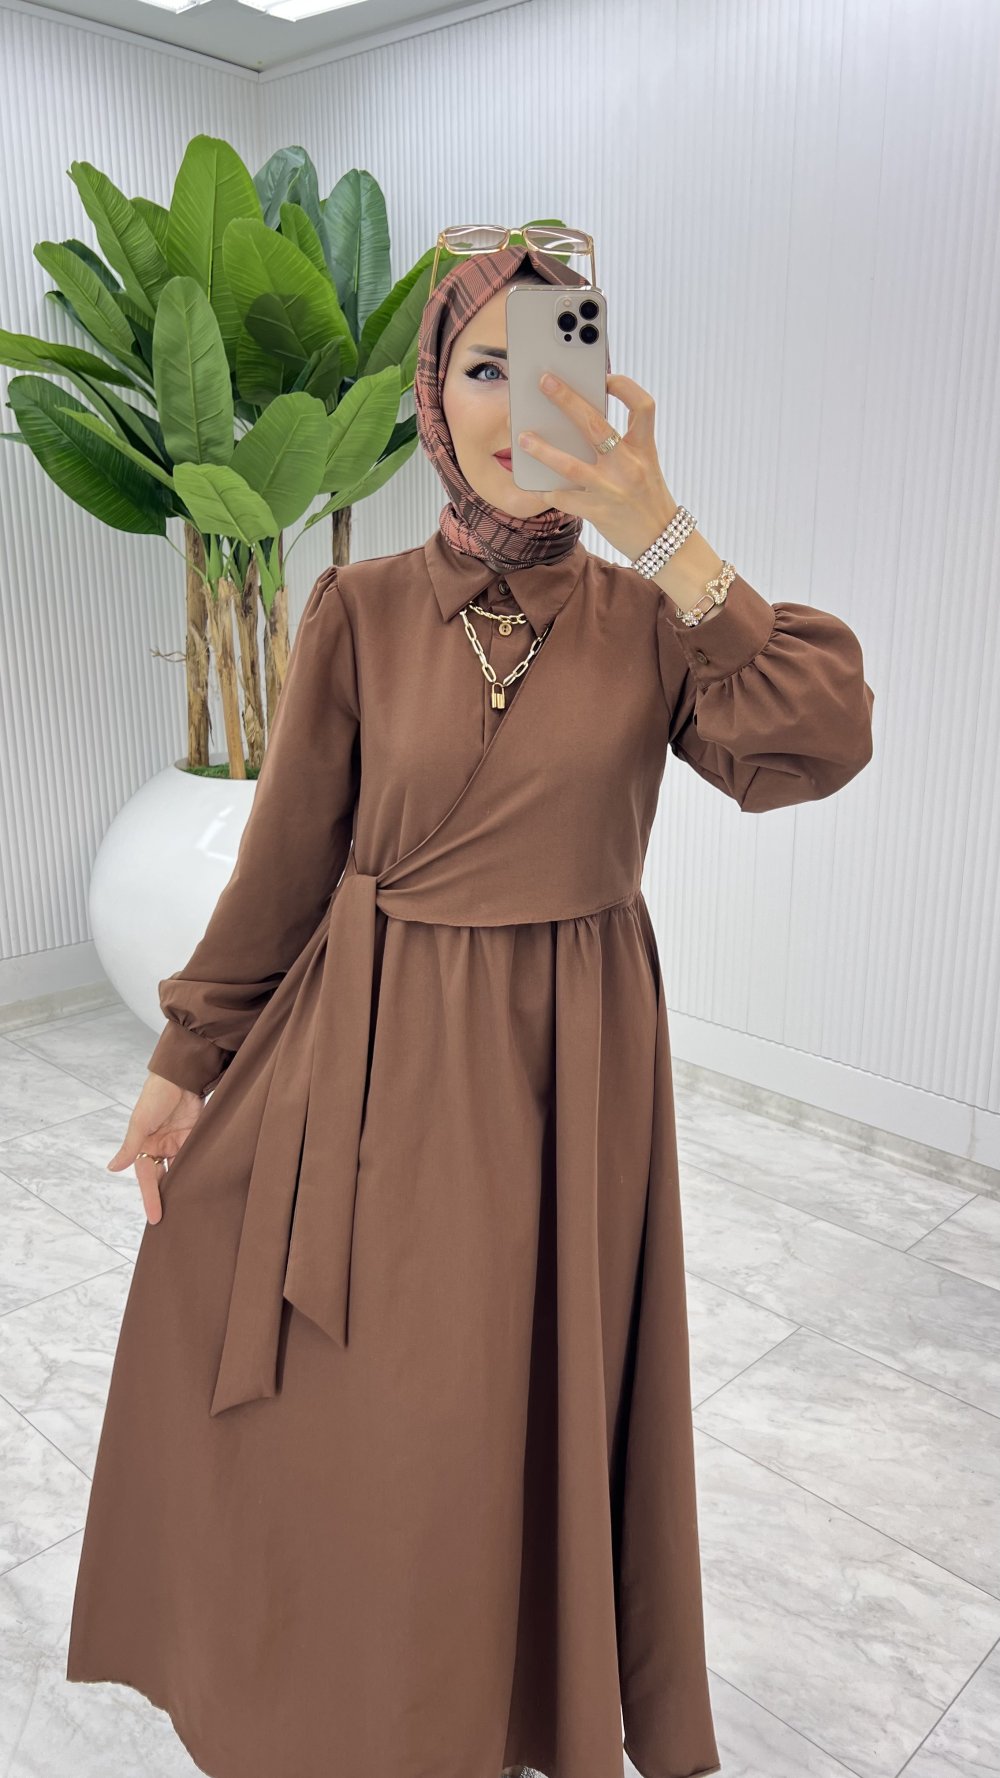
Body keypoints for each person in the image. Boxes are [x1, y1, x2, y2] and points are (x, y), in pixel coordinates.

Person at [65, 241, 876, 1778]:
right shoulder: (360, 610)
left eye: (547, 361)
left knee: (516, 1414)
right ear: (433, 393)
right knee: (387, 1417)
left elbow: (820, 740)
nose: (514, 402)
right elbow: (286, 862)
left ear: (599, 384)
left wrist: (670, 535)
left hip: (573, 1084)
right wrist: (185, 1059)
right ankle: (345, 1705)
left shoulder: (652, 620)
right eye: (481, 365)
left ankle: (495, 1711)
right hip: (370, 1065)